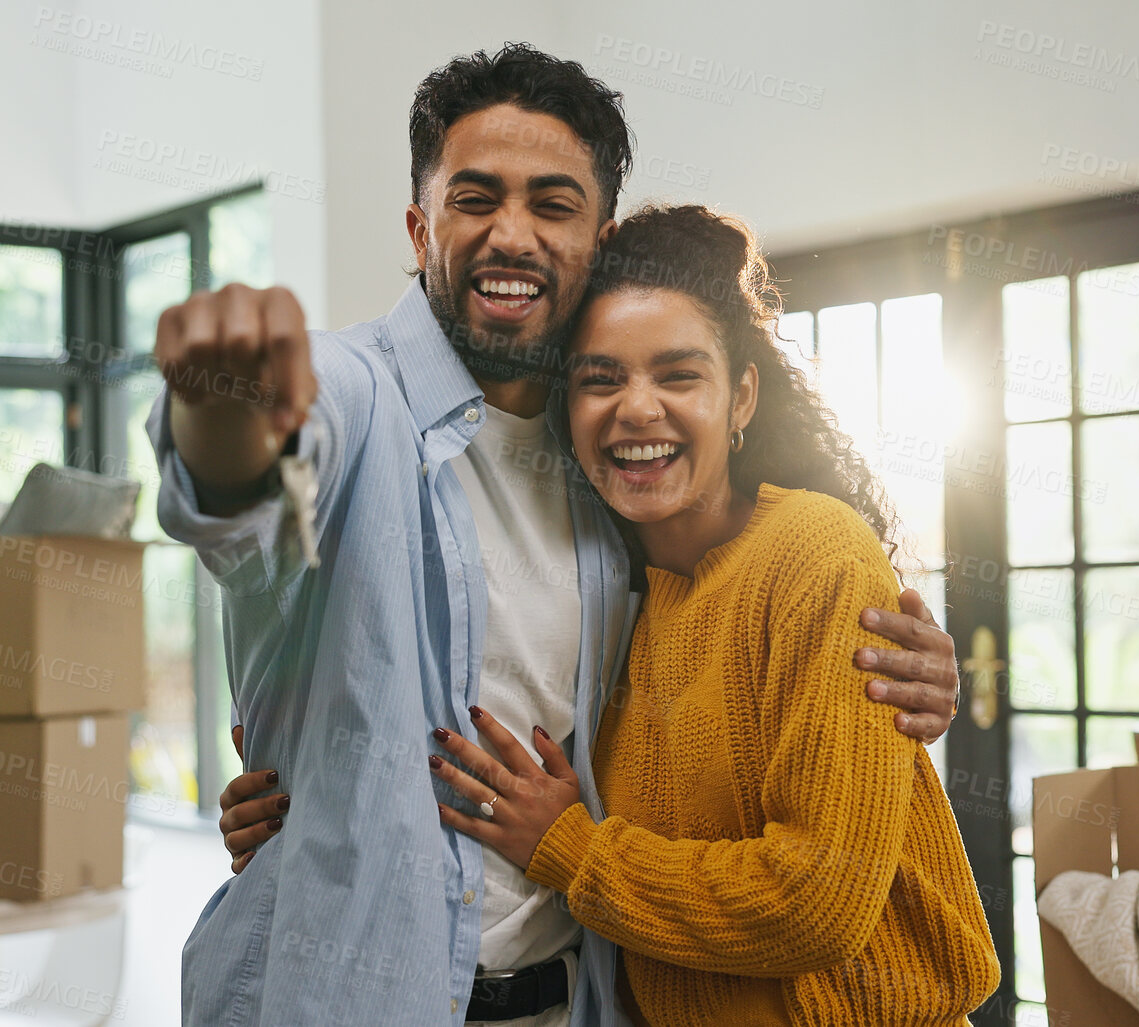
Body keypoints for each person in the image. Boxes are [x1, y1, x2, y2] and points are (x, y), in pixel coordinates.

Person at [157, 45, 963, 1027]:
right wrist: (221, 407)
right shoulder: (356, 393)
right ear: (420, 228)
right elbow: (242, 486)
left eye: (551, 202)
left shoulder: (617, 486)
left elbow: (748, 713)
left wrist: (897, 686)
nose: (511, 232)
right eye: (474, 198)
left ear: (596, 239)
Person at [428, 204, 1000, 1026]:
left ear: (740, 399)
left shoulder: (816, 552)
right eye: (600, 378)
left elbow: (819, 899)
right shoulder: (610, 592)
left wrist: (573, 850)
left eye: (677, 374)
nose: (636, 408)